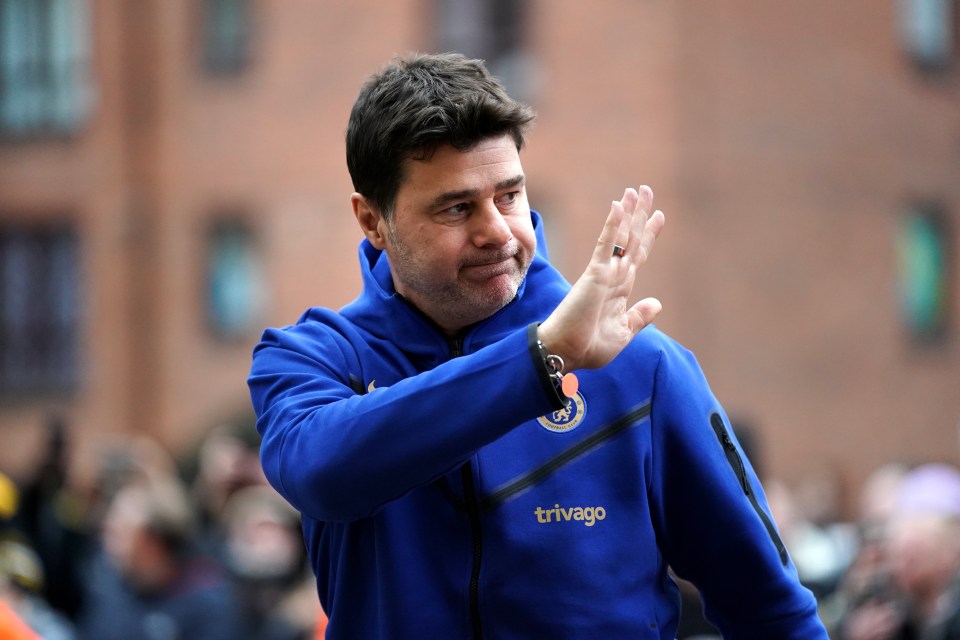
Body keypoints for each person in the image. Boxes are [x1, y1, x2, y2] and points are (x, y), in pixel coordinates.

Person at [247, 52, 828, 638]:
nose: (497, 231)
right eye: (457, 208)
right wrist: (542, 358)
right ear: (373, 221)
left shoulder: (641, 365)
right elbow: (320, 473)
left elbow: (773, 611)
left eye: (509, 195)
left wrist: (544, 352)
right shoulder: (311, 357)